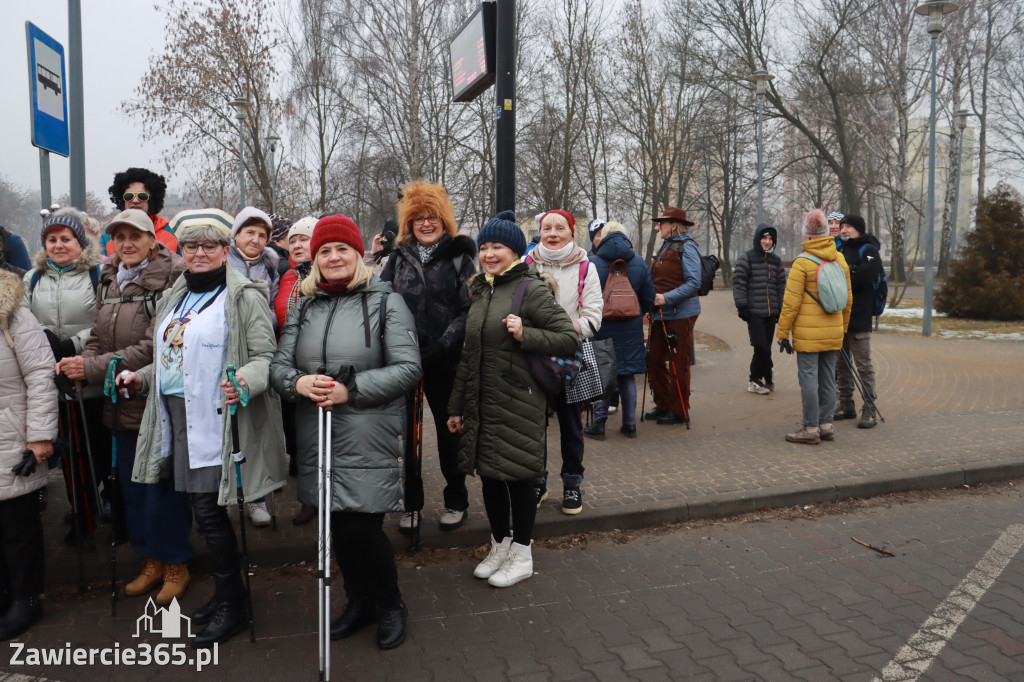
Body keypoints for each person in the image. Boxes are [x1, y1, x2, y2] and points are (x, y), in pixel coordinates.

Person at [123, 221, 287, 648]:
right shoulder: (175, 295)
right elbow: (168, 358)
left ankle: (233, 603)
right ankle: (228, 595)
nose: (199, 252)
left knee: (210, 514)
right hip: (173, 415)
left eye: (209, 245)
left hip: (216, 416)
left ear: (224, 249)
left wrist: (246, 380)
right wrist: (138, 378)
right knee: (200, 512)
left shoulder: (244, 295)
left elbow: (266, 356)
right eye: (191, 245)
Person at [270, 214, 420, 650]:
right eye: (324, 251)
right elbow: (280, 366)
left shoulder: (387, 302)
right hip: (317, 434)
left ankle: (390, 603)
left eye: (342, 249)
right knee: (334, 528)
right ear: (315, 260)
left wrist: (348, 391)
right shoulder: (303, 305)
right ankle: (358, 602)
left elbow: (409, 368)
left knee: (361, 529)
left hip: (367, 434)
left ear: (359, 255)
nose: (334, 257)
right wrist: (296, 383)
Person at [55, 208, 193, 605]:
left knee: (162, 487)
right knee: (132, 488)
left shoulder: (172, 276)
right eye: (120, 237)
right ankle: (149, 558)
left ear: (153, 239)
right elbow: (99, 335)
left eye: (136, 235)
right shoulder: (111, 277)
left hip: (157, 398)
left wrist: (93, 366)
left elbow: (159, 343)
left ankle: (176, 563)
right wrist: (84, 364)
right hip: (120, 400)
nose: (127, 243)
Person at [447, 210, 578, 587]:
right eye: (484, 246)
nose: (489, 253)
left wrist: (526, 335)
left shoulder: (530, 289)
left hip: (518, 402)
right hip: (482, 402)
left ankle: (522, 553)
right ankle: (499, 545)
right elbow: (470, 355)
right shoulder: (482, 290)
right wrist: (456, 406)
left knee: (519, 478)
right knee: (489, 476)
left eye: (498, 246)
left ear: (517, 251)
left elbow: (568, 338)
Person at [381, 181, 477, 534]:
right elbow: (382, 303)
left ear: (444, 219)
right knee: (405, 435)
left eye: (432, 216)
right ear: (409, 221)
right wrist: (399, 344)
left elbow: (469, 309)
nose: (425, 223)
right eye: (419, 217)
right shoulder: (397, 257)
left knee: (450, 432)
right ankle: (410, 502)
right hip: (404, 360)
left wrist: (444, 343)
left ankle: (456, 500)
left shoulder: (459, 257)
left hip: (444, 359)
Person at [23, 208, 107, 543]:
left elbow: (106, 318)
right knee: (70, 452)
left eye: (66, 239)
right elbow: (24, 316)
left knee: (97, 449)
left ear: (79, 241)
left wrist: (75, 342)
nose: (59, 245)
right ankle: (82, 512)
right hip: (52, 377)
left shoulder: (97, 274)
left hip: (90, 373)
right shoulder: (33, 278)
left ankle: (103, 498)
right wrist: (45, 337)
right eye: (52, 240)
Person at [525, 209, 602, 515]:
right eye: (547, 228)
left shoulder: (586, 267)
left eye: (560, 228)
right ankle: (536, 482)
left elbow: (594, 316)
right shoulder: (526, 264)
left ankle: (572, 484)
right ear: (540, 232)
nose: (553, 233)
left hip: (572, 357)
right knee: (533, 424)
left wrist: (558, 331)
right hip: (532, 358)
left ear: (572, 232)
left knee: (571, 425)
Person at [0, 269, 57, 640]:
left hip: (11, 437)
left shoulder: (13, 311)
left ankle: (26, 598)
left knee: (16, 525)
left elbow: (39, 374)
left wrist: (39, 438)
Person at [776, 209, 852, 445]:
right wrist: (843, 328)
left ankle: (810, 427)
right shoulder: (839, 259)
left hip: (808, 334)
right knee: (828, 377)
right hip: (833, 330)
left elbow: (791, 303)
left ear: (808, 234)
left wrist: (782, 333)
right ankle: (826, 425)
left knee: (809, 378)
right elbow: (848, 299)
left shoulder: (802, 263)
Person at [584, 222, 655, 439]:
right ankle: (630, 424)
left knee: (604, 374)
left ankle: (599, 425)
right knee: (627, 376)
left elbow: (584, 297)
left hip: (601, 327)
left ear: (603, 237)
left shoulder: (591, 263)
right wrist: (634, 312)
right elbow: (650, 298)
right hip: (631, 327)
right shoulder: (639, 262)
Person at [272, 215, 316, 525]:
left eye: (304, 238)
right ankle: (307, 492)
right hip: (288, 367)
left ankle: (315, 498)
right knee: (295, 433)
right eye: (294, 239)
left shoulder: (328, 271)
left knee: (314, 435)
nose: (297, 243)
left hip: (317, 365)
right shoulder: (286, 276)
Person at [645, 207, 701, 425]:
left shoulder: (687, 248)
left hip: (681, 314)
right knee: (655, 359)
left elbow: (694, 283)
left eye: (663, 223)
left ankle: (679, 411)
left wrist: (666, 298)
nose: (659, 226)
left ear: (674, 225)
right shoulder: (665, 247)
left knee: (678, 362)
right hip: (660, 314)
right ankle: (663, 405)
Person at [836, 214, 883, 429]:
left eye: (848, 227)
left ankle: (869, 407)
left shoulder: (869, 249)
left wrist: (847, 274)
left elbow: (865, 276)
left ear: (859, 230)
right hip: (839, 315)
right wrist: (851, 273)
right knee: (842, 363)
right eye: (842, 226)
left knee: (863, 364)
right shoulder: (841, 250)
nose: (843, 230)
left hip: (860, 316)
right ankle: (846, 403)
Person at [732, 223, 787, 395]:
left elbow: (781, 287)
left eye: (771, 239)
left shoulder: (776, 261)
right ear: (758, 239)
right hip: (754, 310)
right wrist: (742, 306)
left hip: (771, 312)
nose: (767, 241)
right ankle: (757, 378)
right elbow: (739, 282)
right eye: (764, 237)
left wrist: (781, 309)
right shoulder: (747, 257)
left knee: (765, 347)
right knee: (760, 345)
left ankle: (762, 377)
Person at [104, 168, 177, 256]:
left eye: (142, 196)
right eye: (128, 196)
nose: (135, 200)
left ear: (151, 200)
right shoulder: (107, 237)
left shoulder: (169, 234)